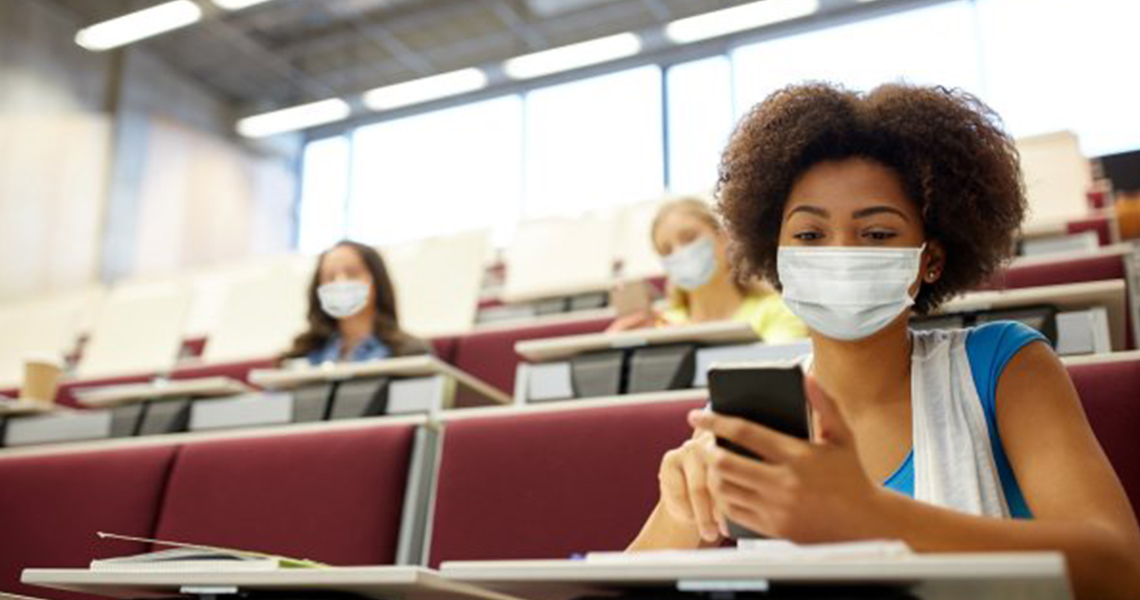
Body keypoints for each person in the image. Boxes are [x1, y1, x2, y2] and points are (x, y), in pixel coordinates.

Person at [628, 83, 1140, 599]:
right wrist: (681, 511)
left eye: (876, 234)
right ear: (777, 254)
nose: (839, 253)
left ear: (929, 260)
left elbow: (1121, 570)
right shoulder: (751, 415)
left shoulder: (1004, 365)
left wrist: (869, 515)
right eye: (809, 235)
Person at [608, 198, 807, 344]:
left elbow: (775, 374)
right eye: (666, 250)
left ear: (723, 237)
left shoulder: (777, 312)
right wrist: (613, 344)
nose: (680, 253)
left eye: (689, 238)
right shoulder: (659, 327)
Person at [283, 240, 429, 365]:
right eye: (330, 277)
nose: (340, 282)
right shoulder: (300, 357)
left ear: (376, 281)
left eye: (352, 273)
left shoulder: (409, 353)